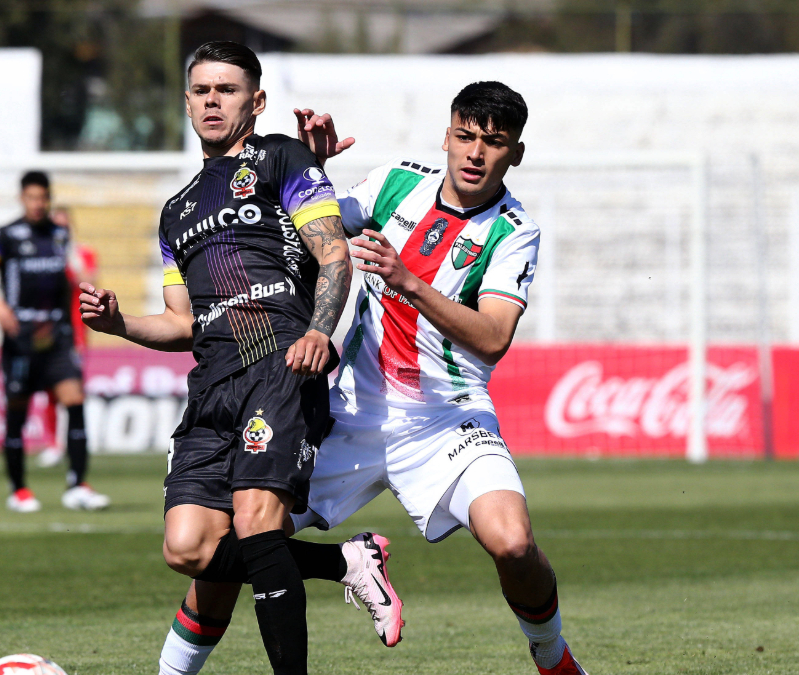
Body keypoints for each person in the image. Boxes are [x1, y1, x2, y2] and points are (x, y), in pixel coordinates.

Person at [185, 82, 590, 675]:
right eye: (467, 137)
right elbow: (303, 234)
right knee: (227, 546)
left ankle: (553, 659)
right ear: (447, 136)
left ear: (515, 154)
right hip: (349, 412)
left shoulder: (513, 229)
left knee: (513, 542)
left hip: (446, 418)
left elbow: (494, 338)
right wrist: (311, 171)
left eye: (494, 143)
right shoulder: (396, 182)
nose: (476, 153)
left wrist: (409, 282)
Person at [79, 42, 402, 675]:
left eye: (227, 90)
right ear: (187, 101)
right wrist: (118, 324)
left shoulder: (281, 157)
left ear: (255, 101)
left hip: (279, 364)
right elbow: (180, 324)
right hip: (212, 386)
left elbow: (334, 254)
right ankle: (346, 561)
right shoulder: (176, 211)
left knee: (257, 520)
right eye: (201, 90)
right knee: (189, 547)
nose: (212, 101)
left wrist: (319, 331)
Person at [0, 171, 110, 513]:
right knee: (16, 410)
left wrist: (86, 283)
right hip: (21, 337)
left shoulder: (60, 235)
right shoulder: (6, 236)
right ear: (23, 198)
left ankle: (78, 484)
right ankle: (18, 489)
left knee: (74, 401)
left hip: (58, 335)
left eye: (43, 198)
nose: (38, 204)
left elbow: (76, 275)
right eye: (32, 198)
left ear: (48, 198)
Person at [36, 207, 99, 469]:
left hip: (74, 331)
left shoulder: (81, 253)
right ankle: (53, 444)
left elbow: (91, 283)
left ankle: (74, 441)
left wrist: (71, 260)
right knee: (48, 389)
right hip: (45, 329)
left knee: (72, 388)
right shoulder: (41, 254)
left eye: (65, 225)